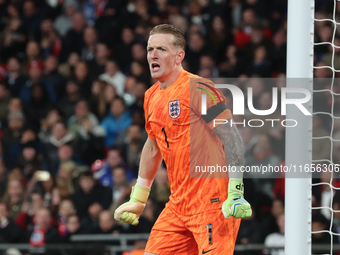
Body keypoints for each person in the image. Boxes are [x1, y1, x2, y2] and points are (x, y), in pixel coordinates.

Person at [114, 24, 252, 255]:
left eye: (161, 49)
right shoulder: (150, 97)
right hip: (178, 204)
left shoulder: (198, 88)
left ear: (179, 56)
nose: (153, 55)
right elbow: (152, 145)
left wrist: (236, 190)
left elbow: (232, 137)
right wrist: (139, 197)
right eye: (150, 49)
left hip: (213, 203)